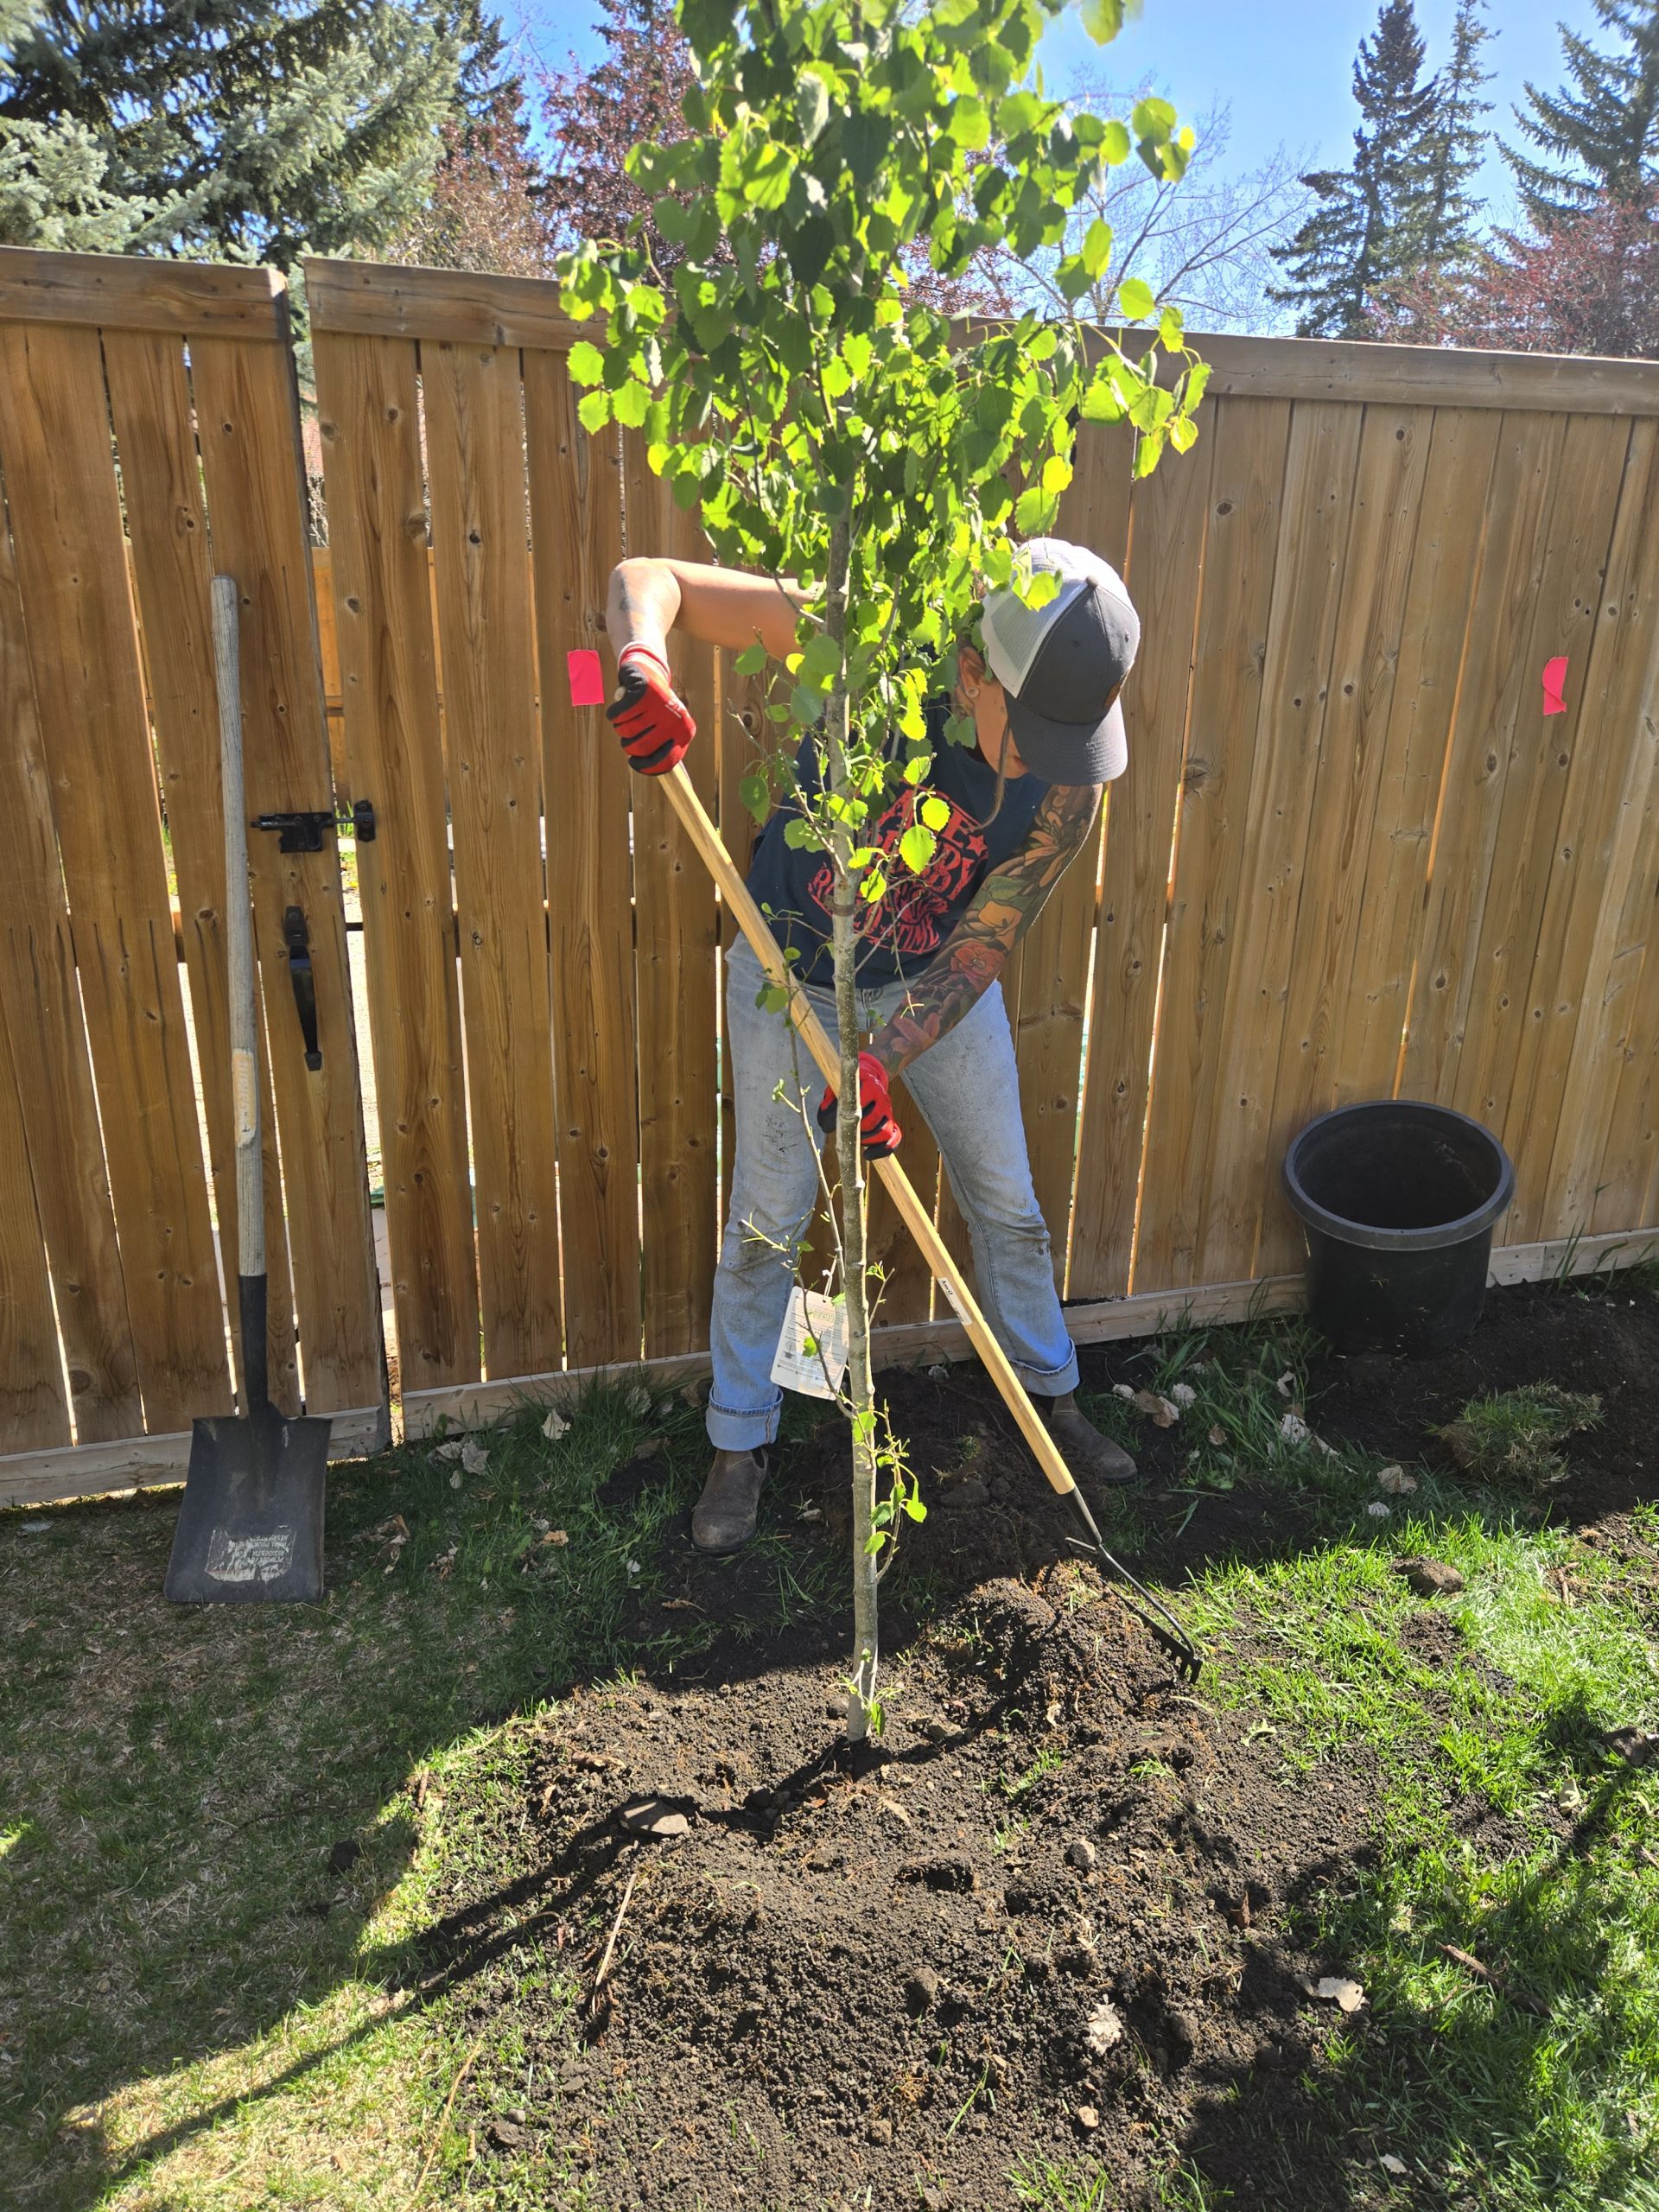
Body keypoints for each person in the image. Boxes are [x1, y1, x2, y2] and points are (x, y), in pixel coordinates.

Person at [605, 538, 1141, 1553]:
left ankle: (1050, 1397)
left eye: (1070, 741)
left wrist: (880, 1054)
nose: (1048, 762)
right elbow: (650, 580)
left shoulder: (1070, 778)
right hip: (788, 969)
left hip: (930, 980)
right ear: (972, 672)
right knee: (766, 1224)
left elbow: (985, 939)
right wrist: (643, 664)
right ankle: (739, 1439)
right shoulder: (870, 646)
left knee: (1008, 1204)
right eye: (1031, 736)